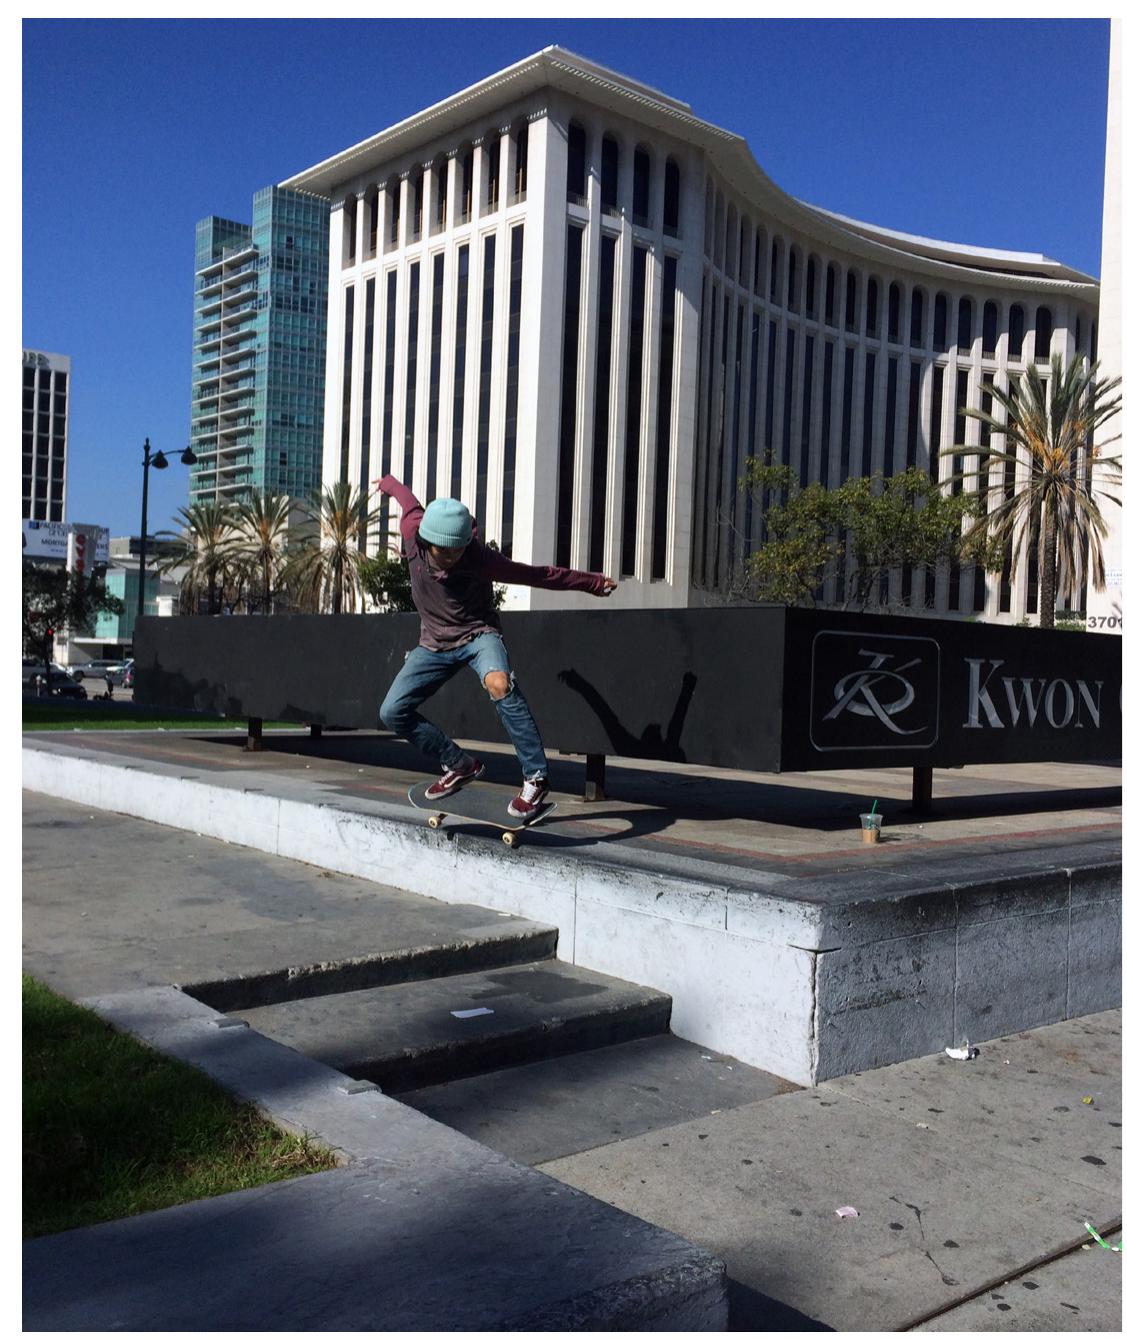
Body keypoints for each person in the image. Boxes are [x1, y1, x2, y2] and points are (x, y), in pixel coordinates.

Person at [376, 474, 616, 818]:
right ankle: (458, 764)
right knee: (391, 711)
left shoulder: (479, 559)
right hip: (433, 643)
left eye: (460, 550)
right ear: (428, 543)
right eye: (448, 554)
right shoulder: (414, 531)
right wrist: (387, 483)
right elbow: (407, 499)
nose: (455, 558)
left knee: (499, 684)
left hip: (477, 634)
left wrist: (590, 583)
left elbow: (538, 575)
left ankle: (535, 777)